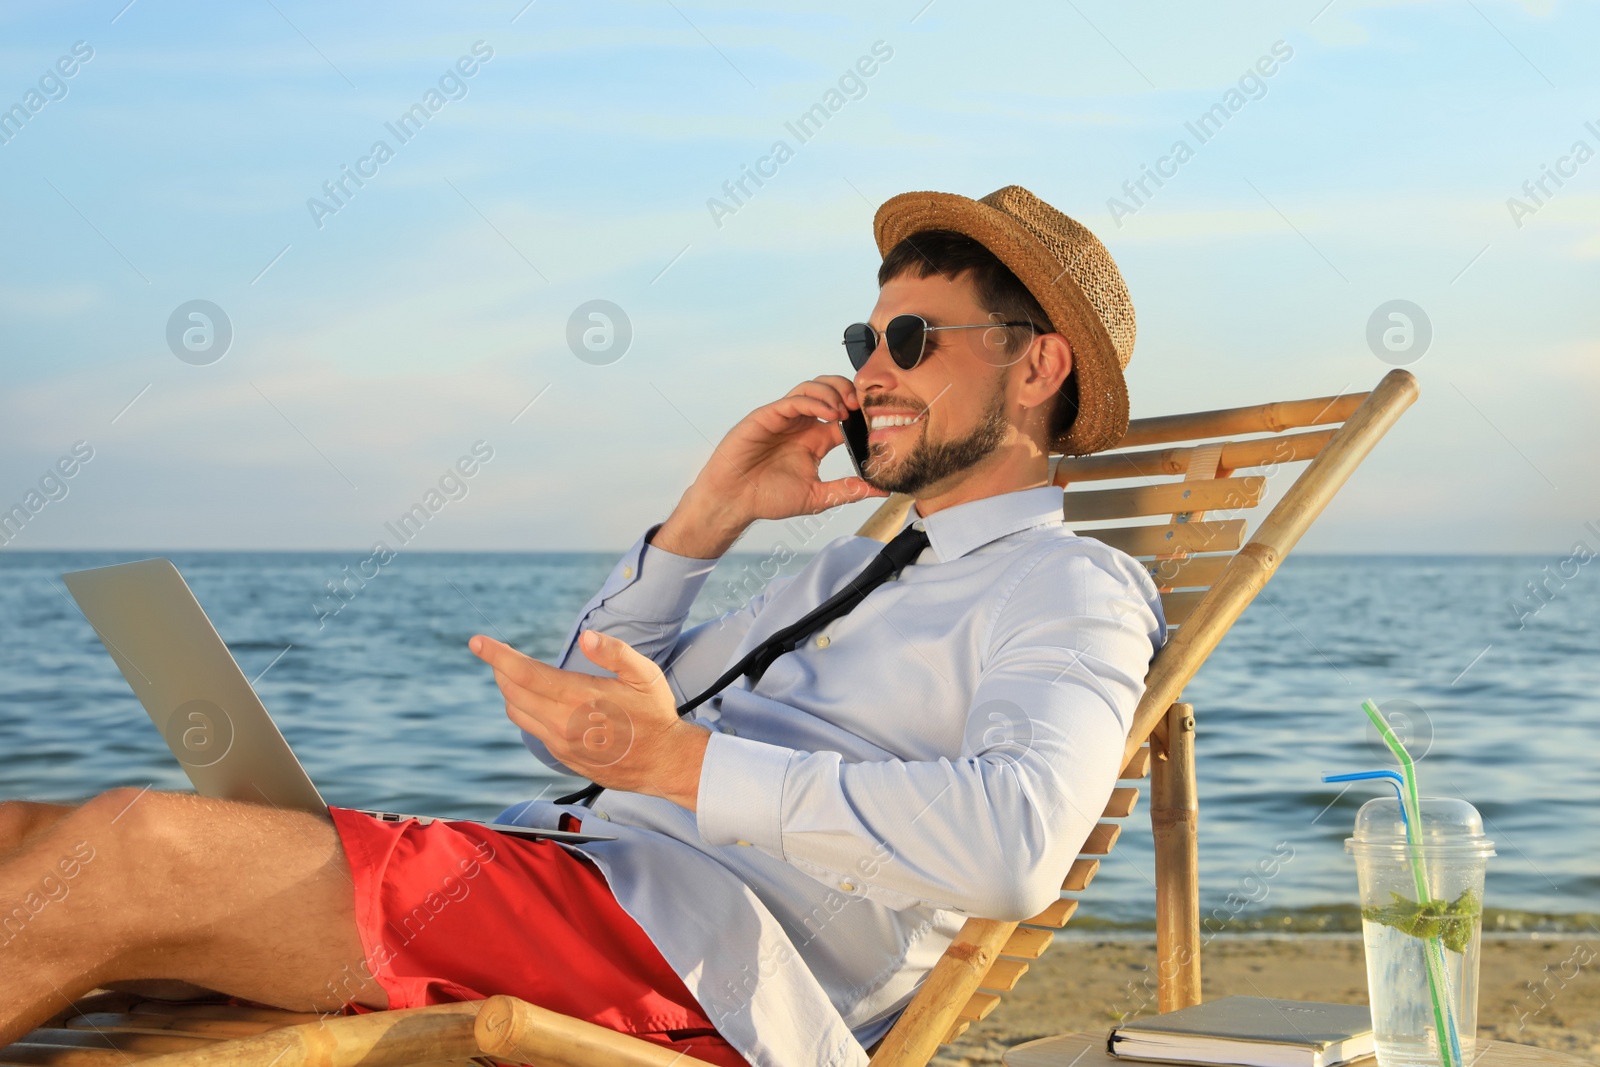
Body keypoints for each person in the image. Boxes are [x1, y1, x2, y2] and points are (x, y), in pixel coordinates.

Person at [0, 186, 1163, 1067]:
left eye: (913, 340)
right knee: (22, 835)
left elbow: (1014, 847)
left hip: (690, 962)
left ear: (1035, 365)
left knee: (126, 850)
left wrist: (685, 763)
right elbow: (582, 732)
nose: (870, 374)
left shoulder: (1068, 586)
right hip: (563, 877)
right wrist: (705, 520)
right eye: (865, 343)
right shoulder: (840, 573)